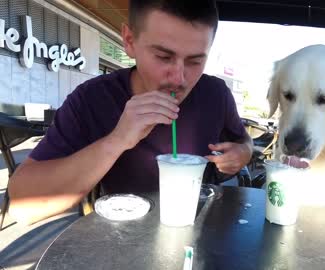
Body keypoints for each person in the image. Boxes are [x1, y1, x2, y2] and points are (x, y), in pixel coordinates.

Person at [8, 0, 253, 225]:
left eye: (195, 61)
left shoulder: (216, 94)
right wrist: (117, 140)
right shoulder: (92, 99)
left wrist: (244, 152)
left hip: (198, 230)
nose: (179, 79)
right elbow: (23, 208)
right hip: (121, 236)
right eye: (163, 56)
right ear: (129, 41)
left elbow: (243, 140)